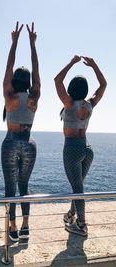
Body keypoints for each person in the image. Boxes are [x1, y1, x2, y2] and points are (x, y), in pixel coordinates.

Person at [54, 55, 107, 237]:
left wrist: (71, 62)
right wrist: (94, 65)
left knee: (78, 188)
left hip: (72, 148)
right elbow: (103, 85)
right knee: (79, 186)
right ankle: (71, 214)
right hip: (87, 148)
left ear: (71, 89)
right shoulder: (90, 103)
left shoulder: (68, 103)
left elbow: (57, 80)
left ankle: (82, 225)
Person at [1, 22, 41, 242]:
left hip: (10, 141)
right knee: (24, 186)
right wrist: (33, 44)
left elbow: (8, 68)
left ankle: (13, 228)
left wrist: (14, 42)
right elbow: (37, 71)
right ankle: (26, 227)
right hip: (28, 142)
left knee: (10, 188)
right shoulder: (34, 97)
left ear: (15, 80)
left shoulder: (10, 97)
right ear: (29, 82)